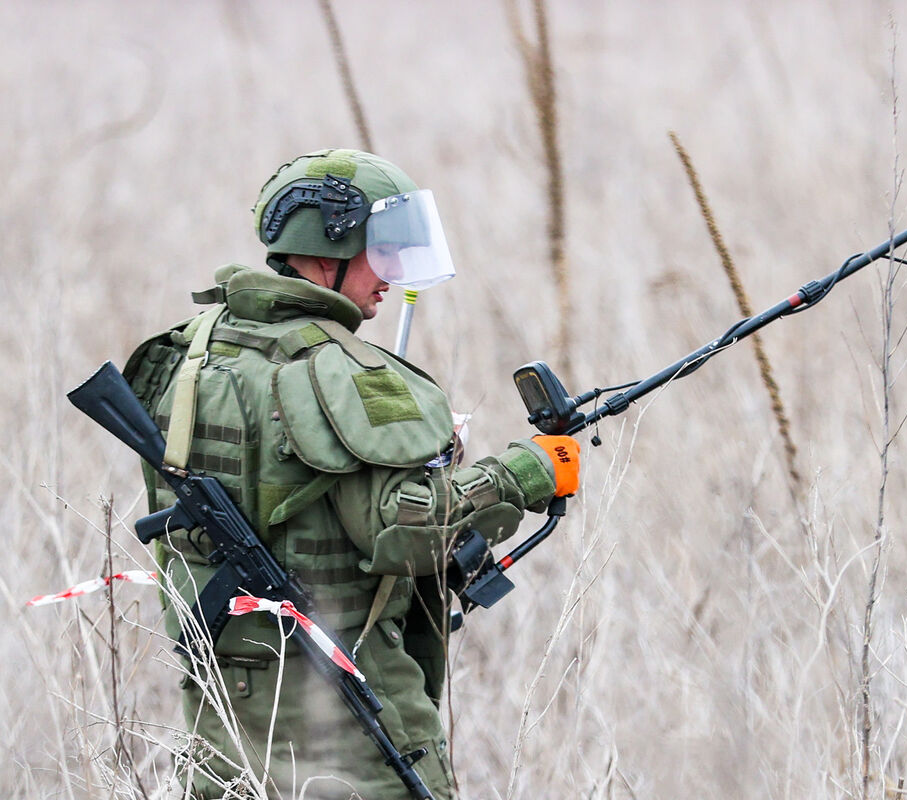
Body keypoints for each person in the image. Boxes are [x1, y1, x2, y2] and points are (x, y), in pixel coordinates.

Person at [123, 148, 580, 799]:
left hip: (223, 714)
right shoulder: (345, 370)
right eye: (382, 251)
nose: (393, 275)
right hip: (350, 720)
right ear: (323, 249)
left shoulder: (191, 350)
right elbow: (409, 532)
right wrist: (524, 473)